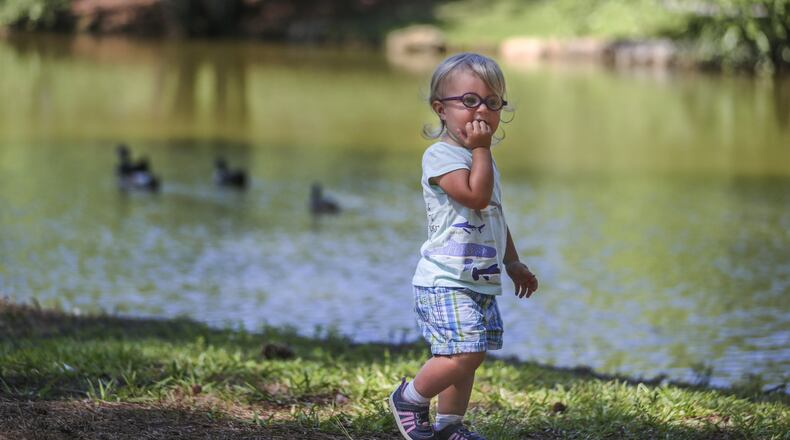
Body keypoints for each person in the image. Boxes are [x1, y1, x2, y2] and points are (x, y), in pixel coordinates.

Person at [388, 52, 539, 440]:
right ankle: (409, 398)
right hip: (445, 279)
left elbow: (494, 216)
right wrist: (482, 150)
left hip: (479, 280)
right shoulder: (441, 156)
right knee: (465, 352)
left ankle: (448, 426)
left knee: (467, 359)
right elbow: (474, 197)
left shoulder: (482, 162)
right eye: (469, 101)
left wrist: (514, 261)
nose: (481, 111)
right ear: (441, 108)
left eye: (492, 102)